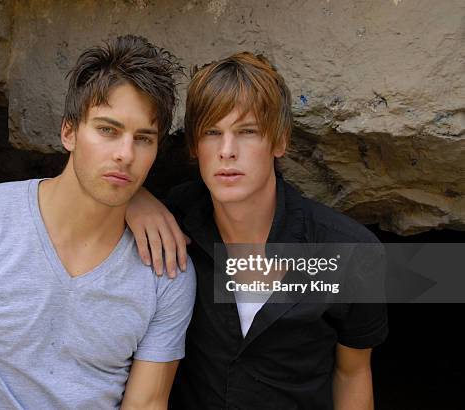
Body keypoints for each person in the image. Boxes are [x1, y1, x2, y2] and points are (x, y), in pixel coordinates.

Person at [0, 35, 196, 410]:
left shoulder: (167, 273)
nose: (125, 154)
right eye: (108, 130)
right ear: (68, 132)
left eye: (143, 138)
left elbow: (147, 404)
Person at [126, 52, 388, 409]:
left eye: (247, 132)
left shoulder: (351, 251)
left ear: (279, 142)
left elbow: (352, 373)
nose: (227, 151)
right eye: (211, 133)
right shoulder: (174, 223)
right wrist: (131, 198)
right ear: (194, 147)